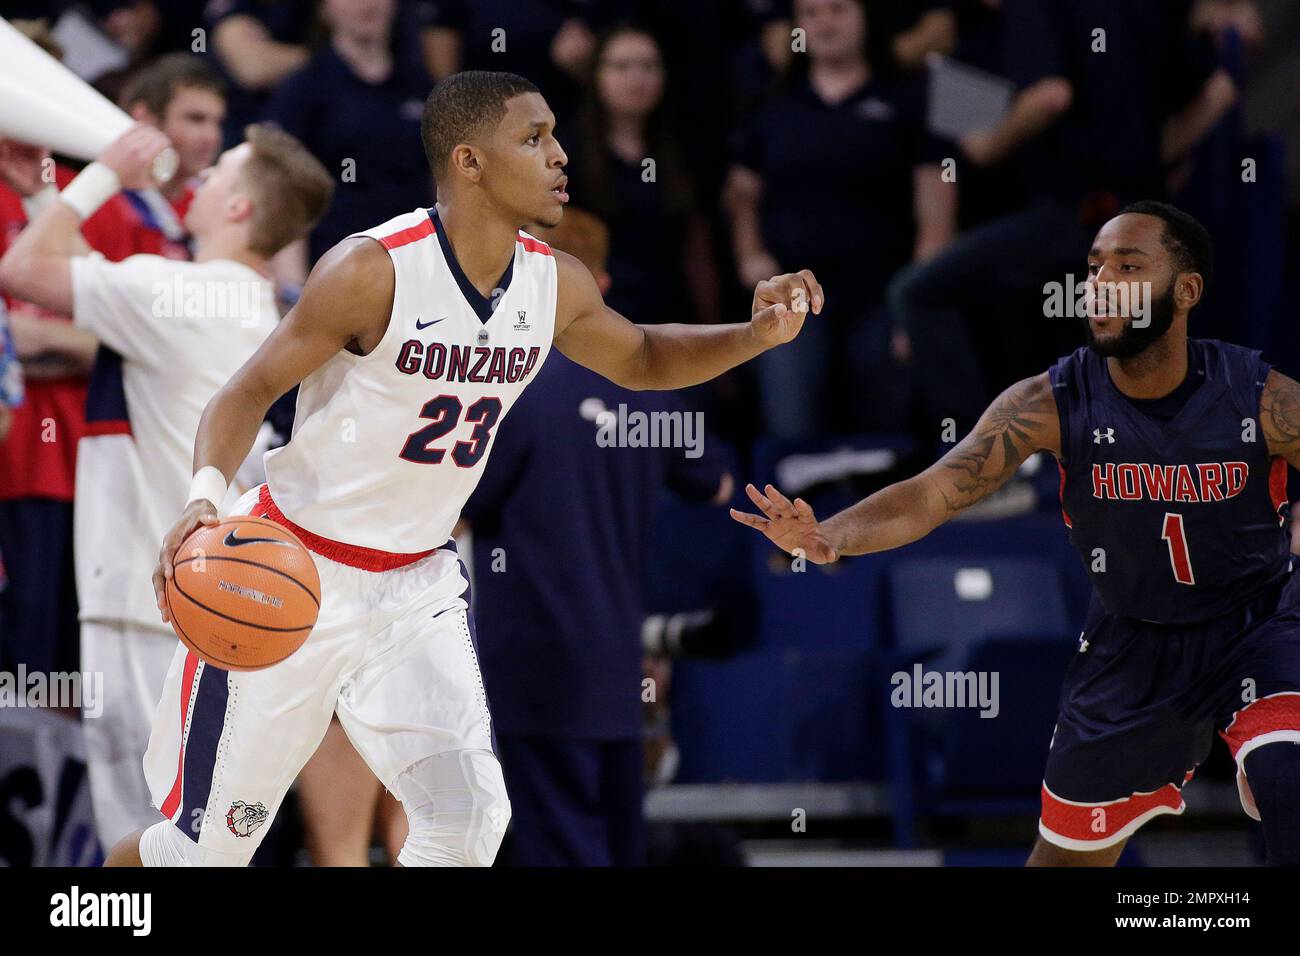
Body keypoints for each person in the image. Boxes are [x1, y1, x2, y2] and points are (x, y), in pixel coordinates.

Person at [101, 70, 819, 868]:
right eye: (534, 138)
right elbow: (245, 393)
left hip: (416, 586)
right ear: (470, 162)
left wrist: (753, 335)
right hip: (292, 568)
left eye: (555, 134)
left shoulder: (552, 284)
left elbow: (644, 357)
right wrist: (205, 499)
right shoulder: (371, 270)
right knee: (204, 853)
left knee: (469, 820)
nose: (560, 156)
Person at [732, 202, 1300, 866]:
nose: (1101, 283)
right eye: (1093, 268)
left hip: (1255, 629)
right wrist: (833, 534)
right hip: (1132, 646)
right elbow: (936, 491)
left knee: (1288, 782)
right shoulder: (1050, 401)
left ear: (1187, 290)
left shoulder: (1260, 398)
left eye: (1128, 266)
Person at [0, 122, 334, 850]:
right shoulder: (239, 304)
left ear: (240, 207)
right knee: (186, 836)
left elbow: (22, 271)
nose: (201, 174)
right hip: (211, 605)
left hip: (148, 608)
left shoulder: (178, 294)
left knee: (155, 839)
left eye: (220, 170)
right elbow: (111, 290)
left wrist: (100, 177)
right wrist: (45, 191)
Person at [461, 208, 733, 866]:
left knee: (558, 846)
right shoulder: (649, 388)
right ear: (600, 282)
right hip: (618, 663)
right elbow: (719, 485)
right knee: (619, 845)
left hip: (534, 661)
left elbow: (454, 512)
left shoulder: (511, 388)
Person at [889, 0, 1238, 441]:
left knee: (918, 293)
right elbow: (1221, 88)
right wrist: (1154, 156)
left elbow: (1051, 95)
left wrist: (987, 143)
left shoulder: (1031, 9)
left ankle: (984, 469)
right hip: (1143, 220)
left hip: (1076, 214)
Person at [724, 0, 955, 439]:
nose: (824, 22)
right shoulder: (772, 105)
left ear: (866, 18)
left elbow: (937, 215)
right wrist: (749, 253)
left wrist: (915, 307)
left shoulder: (909, 99)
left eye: (838, 9)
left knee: (885, 437)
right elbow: (741, 193)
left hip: (881, 297)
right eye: (811, 13)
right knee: (790, 436)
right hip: (792, 298)